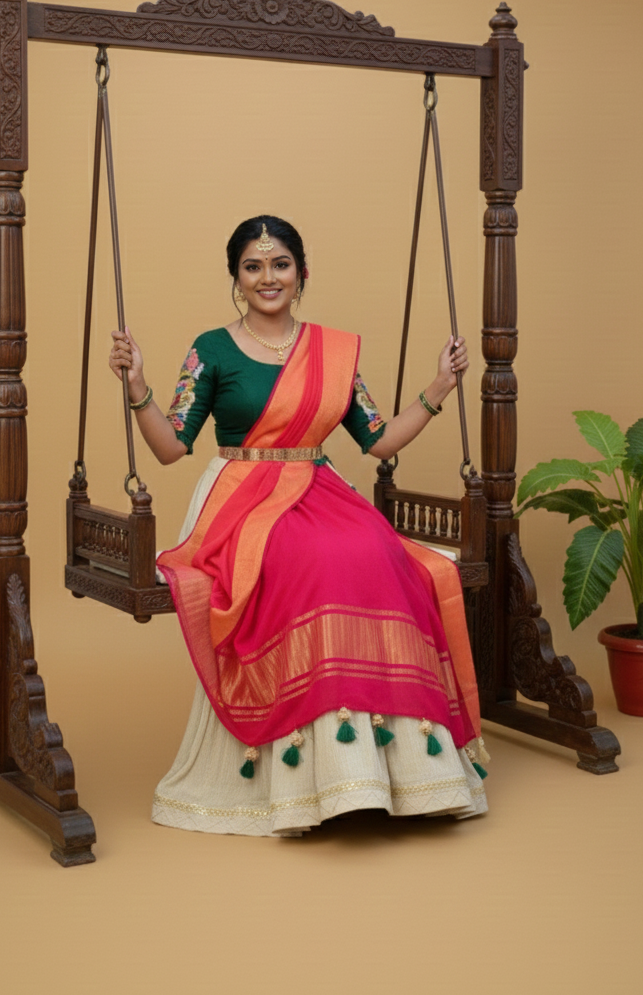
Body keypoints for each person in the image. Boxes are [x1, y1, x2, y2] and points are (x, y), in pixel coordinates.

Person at [109, 215, 488, 837]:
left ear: (301, 272)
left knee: (374, 552)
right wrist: (138, 387)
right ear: (236, 277)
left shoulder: (331, 353)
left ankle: (392, 772)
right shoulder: (212, 348)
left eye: (280, 264)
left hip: (321, 486)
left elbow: (377, 439)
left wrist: (439, 387)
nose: (268, 277)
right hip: (241, 499)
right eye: (253, 267)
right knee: (314, 561)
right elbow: (171, 447)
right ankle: (317, 779)